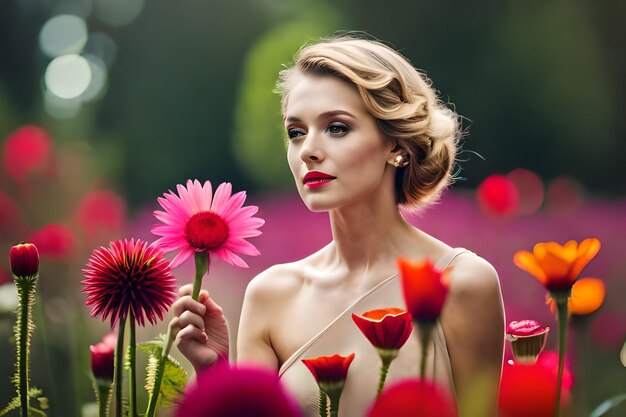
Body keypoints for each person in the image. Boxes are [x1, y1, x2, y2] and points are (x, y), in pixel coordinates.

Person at [170, 34, 505, 417]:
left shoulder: (463, 283)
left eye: (337, 128)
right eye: (296, 132)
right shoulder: (270, 296)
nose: (308, 150)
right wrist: (215, 374)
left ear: (395, 143)